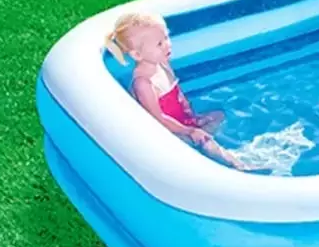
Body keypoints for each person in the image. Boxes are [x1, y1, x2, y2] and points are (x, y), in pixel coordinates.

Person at [105, 12, 253, 171]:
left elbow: (176, 90)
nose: (167, 45)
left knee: (218, 115)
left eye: (166, 37)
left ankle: (206, 148)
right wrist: (189, 130)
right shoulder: (143, 83)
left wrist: (190, 114)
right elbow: (158, 119)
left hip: (181, 121)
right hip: (168, 133)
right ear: (137, 54)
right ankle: (238, 166)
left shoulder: (161, 63)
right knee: (205, 142)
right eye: (159, 44)